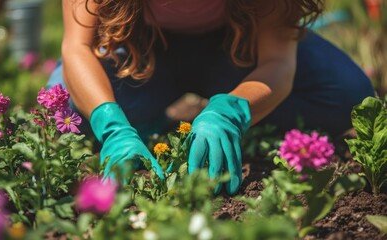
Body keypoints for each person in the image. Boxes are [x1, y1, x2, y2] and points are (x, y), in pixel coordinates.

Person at [48, 0, 375, 195]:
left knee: (348, 96)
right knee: (61, 104)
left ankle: (212, 107)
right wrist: (111, 125)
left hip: (237, 47)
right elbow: (76, 46)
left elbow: (278, 62)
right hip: (141, 54)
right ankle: (146, 117)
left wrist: (232, 111)